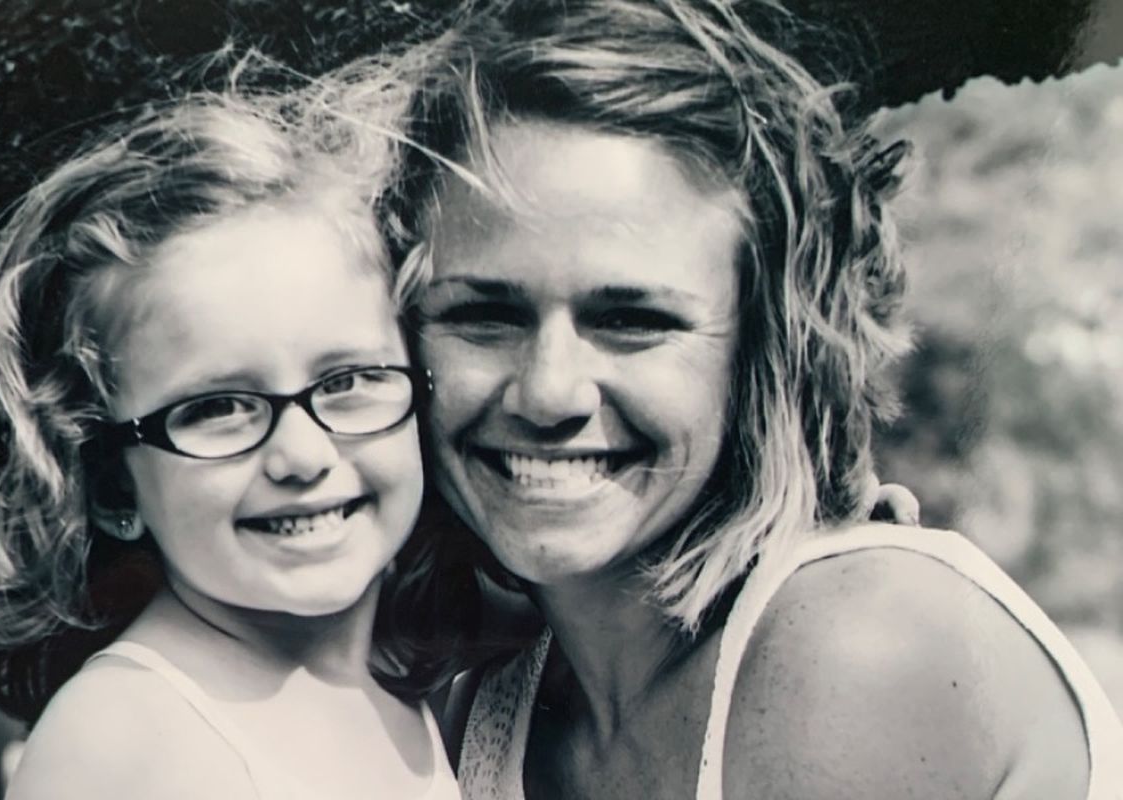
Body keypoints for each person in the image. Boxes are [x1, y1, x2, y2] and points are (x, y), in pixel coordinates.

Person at [385, 0, 1123, 797]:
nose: (548, 392)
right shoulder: (484, 711)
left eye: (633, 321)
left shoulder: (854, 646)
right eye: (484, 315)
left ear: (759, 352)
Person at [0, 68, 463, 799]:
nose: (303, 455)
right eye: (217, 408)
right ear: (113, 484)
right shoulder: (123, 737)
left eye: (347, 381)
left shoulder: (398, 692)